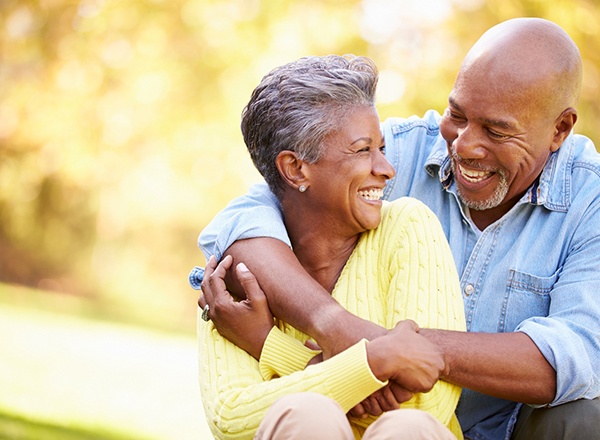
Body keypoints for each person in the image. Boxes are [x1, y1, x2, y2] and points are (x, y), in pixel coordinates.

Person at [194, 17, 600, 440]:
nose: (462, 146)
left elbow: (577, 355)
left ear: (560, 129)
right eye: (456, 114)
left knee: (588, 417)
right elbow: (250, 215)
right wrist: (334, 325)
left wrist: (387, 351)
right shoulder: (400, 150)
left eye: (496, 130)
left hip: (509, 429)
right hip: (374, 423)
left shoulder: (591, 202)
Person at [190, 54, 467, 439]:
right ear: (296, 169)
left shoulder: (407, 226)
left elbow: (428, 403)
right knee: (305, 416)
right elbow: (232, 419)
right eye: (362, 150)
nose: (387, 169)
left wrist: (269, 346)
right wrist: (374, 362)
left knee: (407, 427)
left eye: (382, 148)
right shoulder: (236, 274)